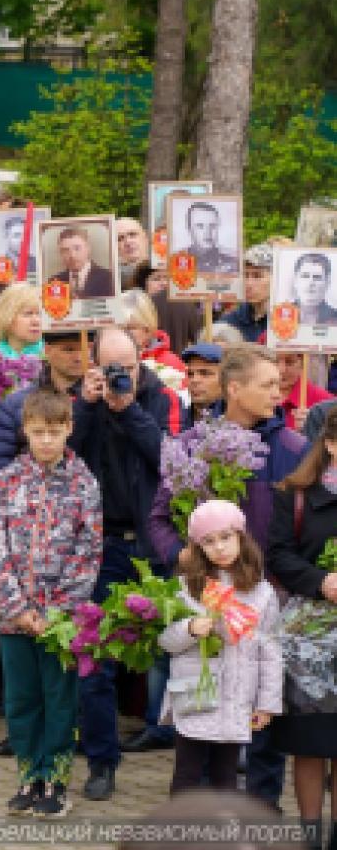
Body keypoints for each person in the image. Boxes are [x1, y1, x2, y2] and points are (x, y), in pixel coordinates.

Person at [68, 327, 178, 802]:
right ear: (93, 365)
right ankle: (101, 762)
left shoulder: (160, 397)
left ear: (140, 363)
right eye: (109, 367)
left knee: (177, 654)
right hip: (103, 544)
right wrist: (88, 405)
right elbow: (69, 455)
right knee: (96, 659)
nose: (118, 376)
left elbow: (168, 459)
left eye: (127, 367)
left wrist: (128, 408)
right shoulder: (82, 401)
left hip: (153, 544)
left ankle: (190, 768)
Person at [0, 387, 101, 818]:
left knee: (59, 699)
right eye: (38, 432)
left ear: (69, 428)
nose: (47, 440)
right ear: (25, 431)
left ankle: (57, 780)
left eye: (54, 431)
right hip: (13, 617)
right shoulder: (6, 480)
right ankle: (29, 775)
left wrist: (56, 612)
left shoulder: (84, 482)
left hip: (60, 621)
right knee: (21, 701)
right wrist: (17, 607)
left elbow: (88, 553)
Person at [157, 500, 281, 797]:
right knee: (187, 774)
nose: (220, 548)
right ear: (198, 548)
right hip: (195, 695)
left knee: (225, 778)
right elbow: (164, 641)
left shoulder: (261, 593)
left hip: (238, 697)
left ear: (241, 537)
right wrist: (189, 629)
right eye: (209, 542)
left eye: (226, 537)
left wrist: (267, 703)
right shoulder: (186, 588)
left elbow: (271, 650)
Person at [268, 408, 337, 847]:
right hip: (307, 641)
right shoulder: (294, 494)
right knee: (310, 745)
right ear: (330, 444)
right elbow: (278, 554)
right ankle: (310, 833)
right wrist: (321, 581)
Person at [220, 245, 273, 342]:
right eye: (245, 275)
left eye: (257, 276)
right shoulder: (231, 321)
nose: (248, 283)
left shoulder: (286, 322)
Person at [51, 226, 116, 300]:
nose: (72, 255)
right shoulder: (54, 282)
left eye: (77, 248)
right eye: (65, 250)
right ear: (60, 253)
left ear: (88, 248)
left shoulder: (109, 279)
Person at [0, 283, 44, 358]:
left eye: (39, 314)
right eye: (28, 313)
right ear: (7, 316)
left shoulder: (51, 358)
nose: (36, 321)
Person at [182, 202, 238, 275]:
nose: (207, 233)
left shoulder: (233, 261)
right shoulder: (177, 259)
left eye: (213, 226)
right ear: (189, 229)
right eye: (200, 226)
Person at [290, 253, 337, 326]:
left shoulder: (335, 317)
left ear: (327, 283)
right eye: (305, 276)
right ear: (295, 281)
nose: (310, 283)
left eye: (317, 277)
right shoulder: (280, 314)